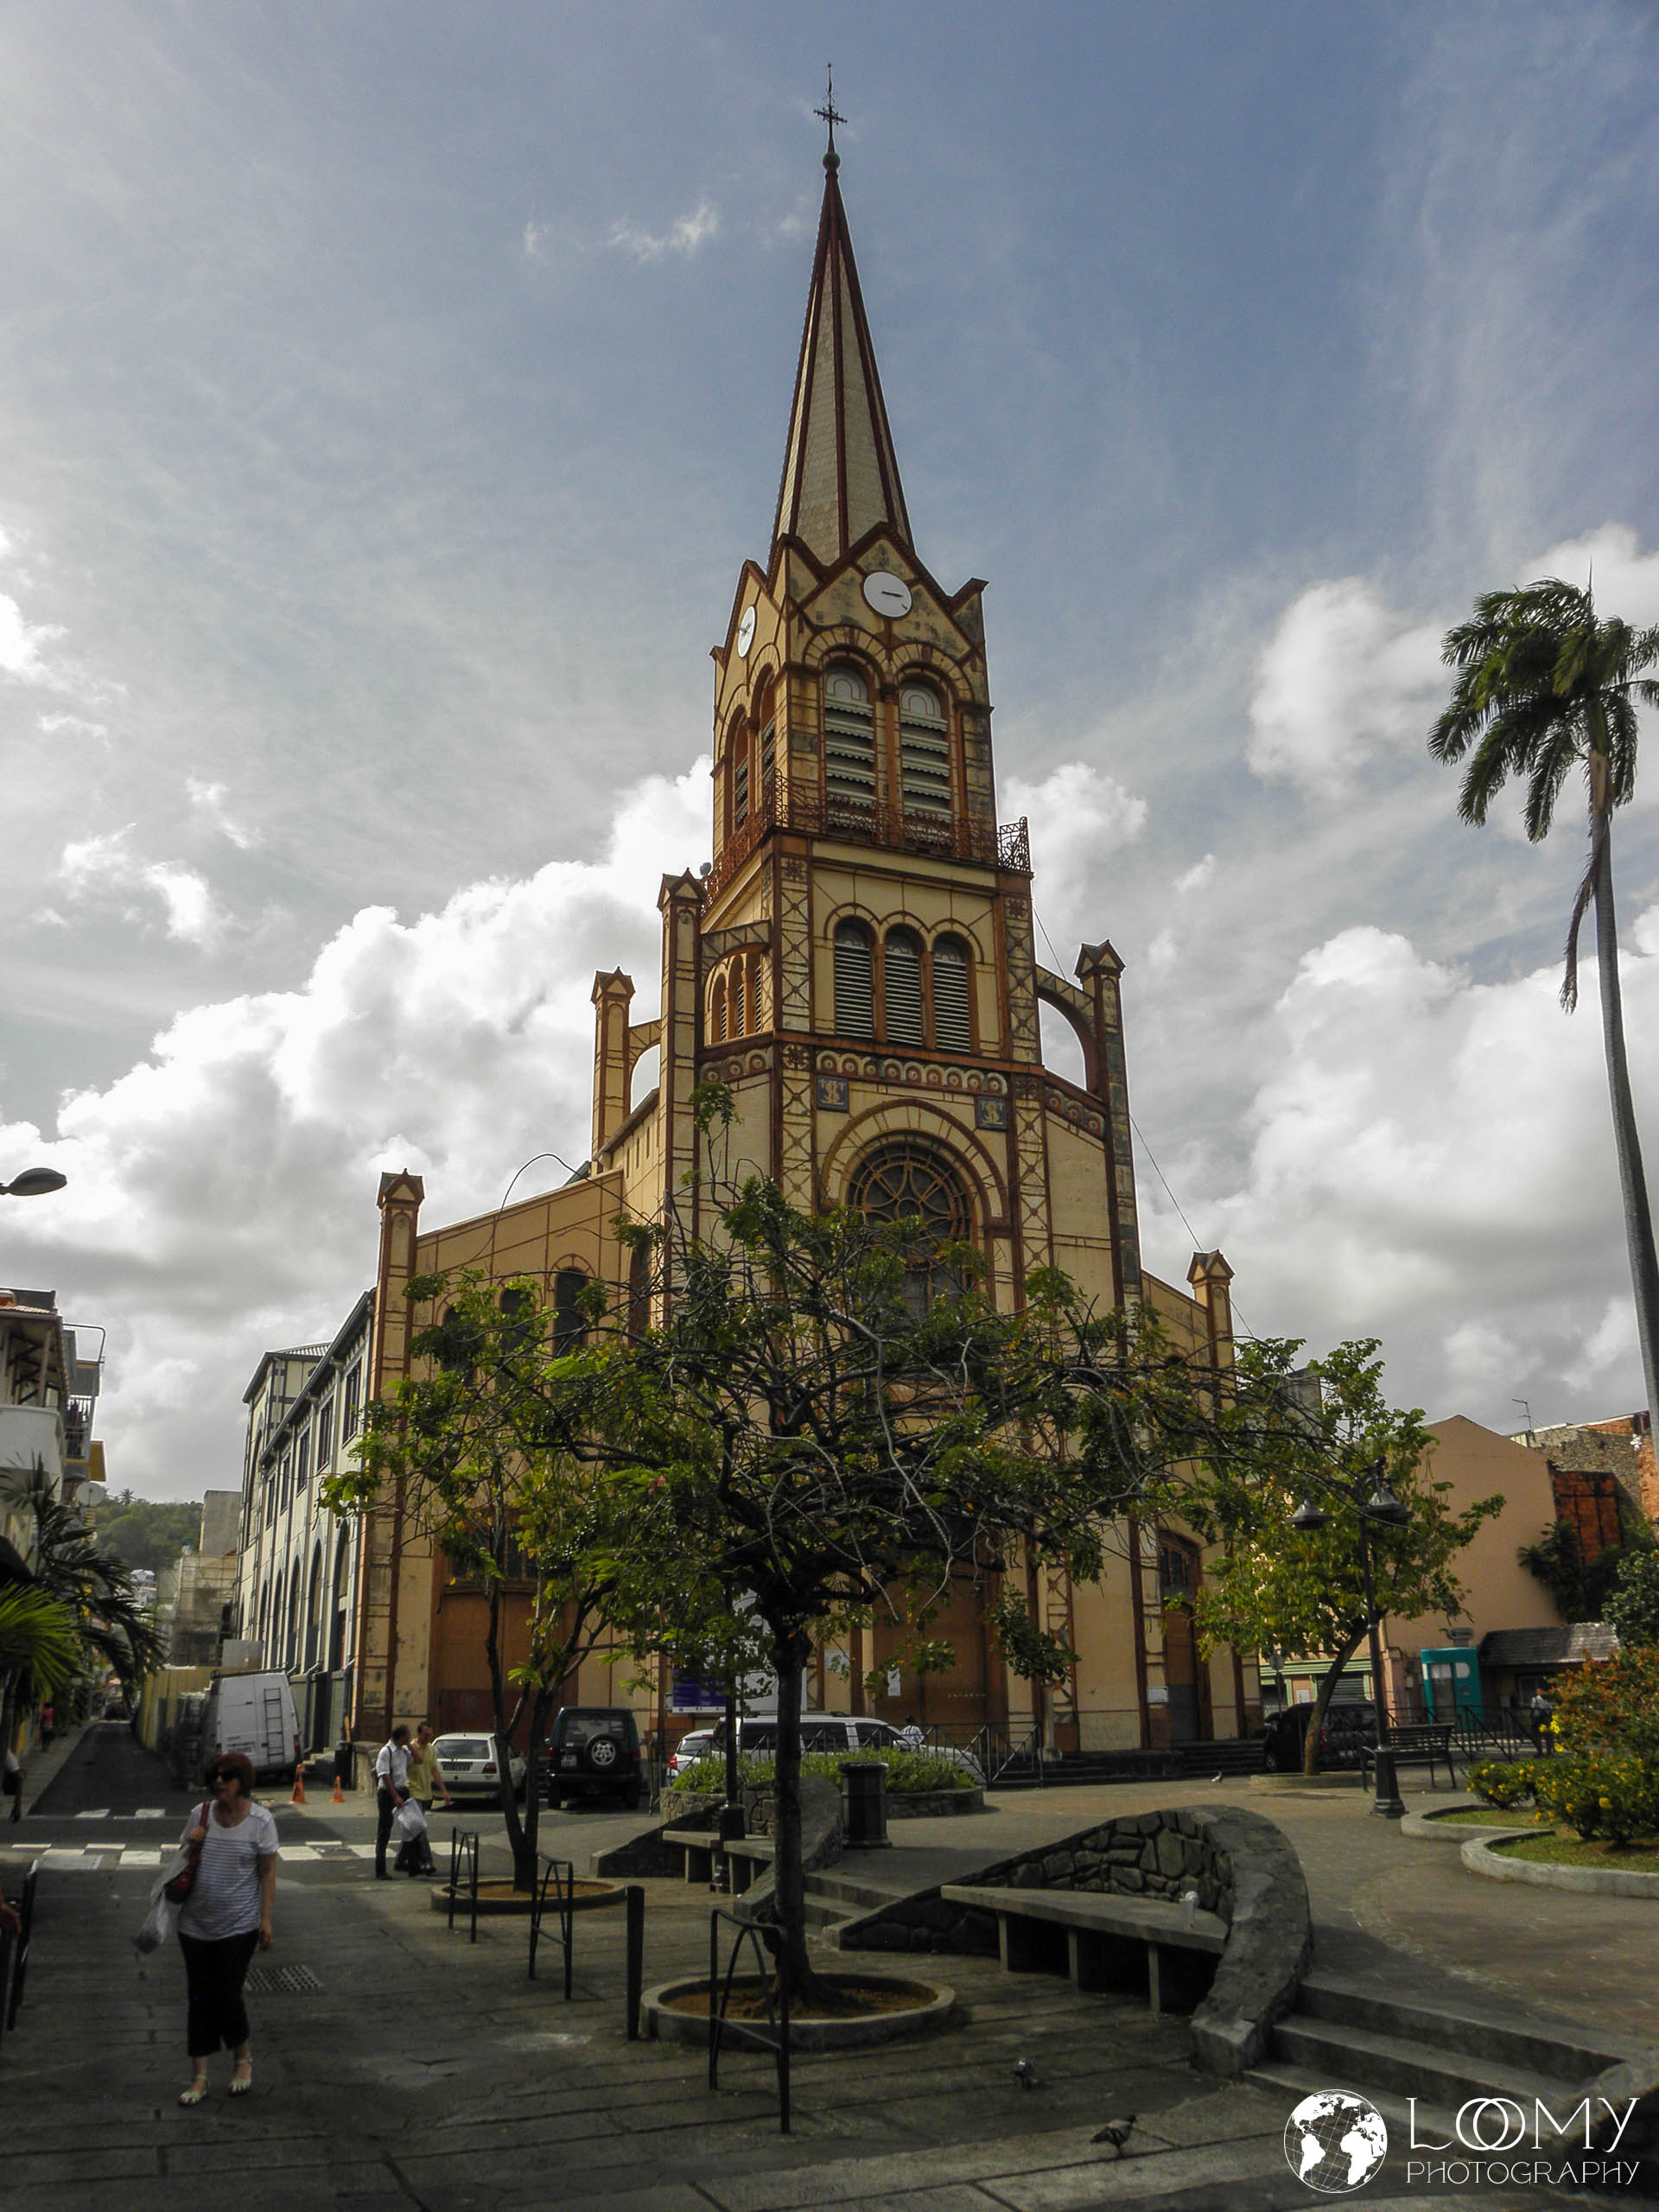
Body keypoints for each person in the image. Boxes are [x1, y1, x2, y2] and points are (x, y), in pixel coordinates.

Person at [175, 1751, 277, 2106]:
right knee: (199, 1998)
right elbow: (181, 1863)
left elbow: (267, 1873)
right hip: (194, 1925)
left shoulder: (261, 1821)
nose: (219, 1781)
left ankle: (242, 2058)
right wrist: (193, 1843)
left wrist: (266, 1919)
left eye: (227, 1776)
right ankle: (199, 2077)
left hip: (239, 1926)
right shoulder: (200, 1815)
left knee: (227, 1994)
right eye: (215, 1775)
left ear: (242, 1781)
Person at [403, 1722, 453, 1877]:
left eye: (430, 1735)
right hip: (412, 1792)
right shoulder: (409, 1749)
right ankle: (427, 1860)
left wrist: (444, 1791)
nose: (428, 1738)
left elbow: (434, 1771)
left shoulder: (430, 1749)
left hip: (426, 1793)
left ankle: (402, 1860)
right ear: (418, 1733)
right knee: (420, 1828)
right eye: (425, 1735)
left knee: (413, 1830)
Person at [373, 1723, 414, 1879]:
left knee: (410, 1827)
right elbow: (385, 1775)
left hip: (403, 1790)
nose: (410, 1738)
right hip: (387, 1793)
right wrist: (395, 1796)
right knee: (384, 1830)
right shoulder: (386, 1751)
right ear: (401, 1736)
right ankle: (380, 1869)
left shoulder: (404, 1751)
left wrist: (409, 1744)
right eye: (407, 1735)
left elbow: (417, 1759)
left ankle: (409, 1862)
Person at [1529, 1688, 1556, 1755]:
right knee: (1548, 1735)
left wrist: (1531, 1718)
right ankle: (1549, 1751)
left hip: (1538, 1719)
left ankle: (1540, 1751)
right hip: (1546, 1718)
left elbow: (1532, 1708)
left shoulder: (1535, 1699)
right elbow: (1550, 1709)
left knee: (1537, 1736)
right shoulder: (1547, 1699)